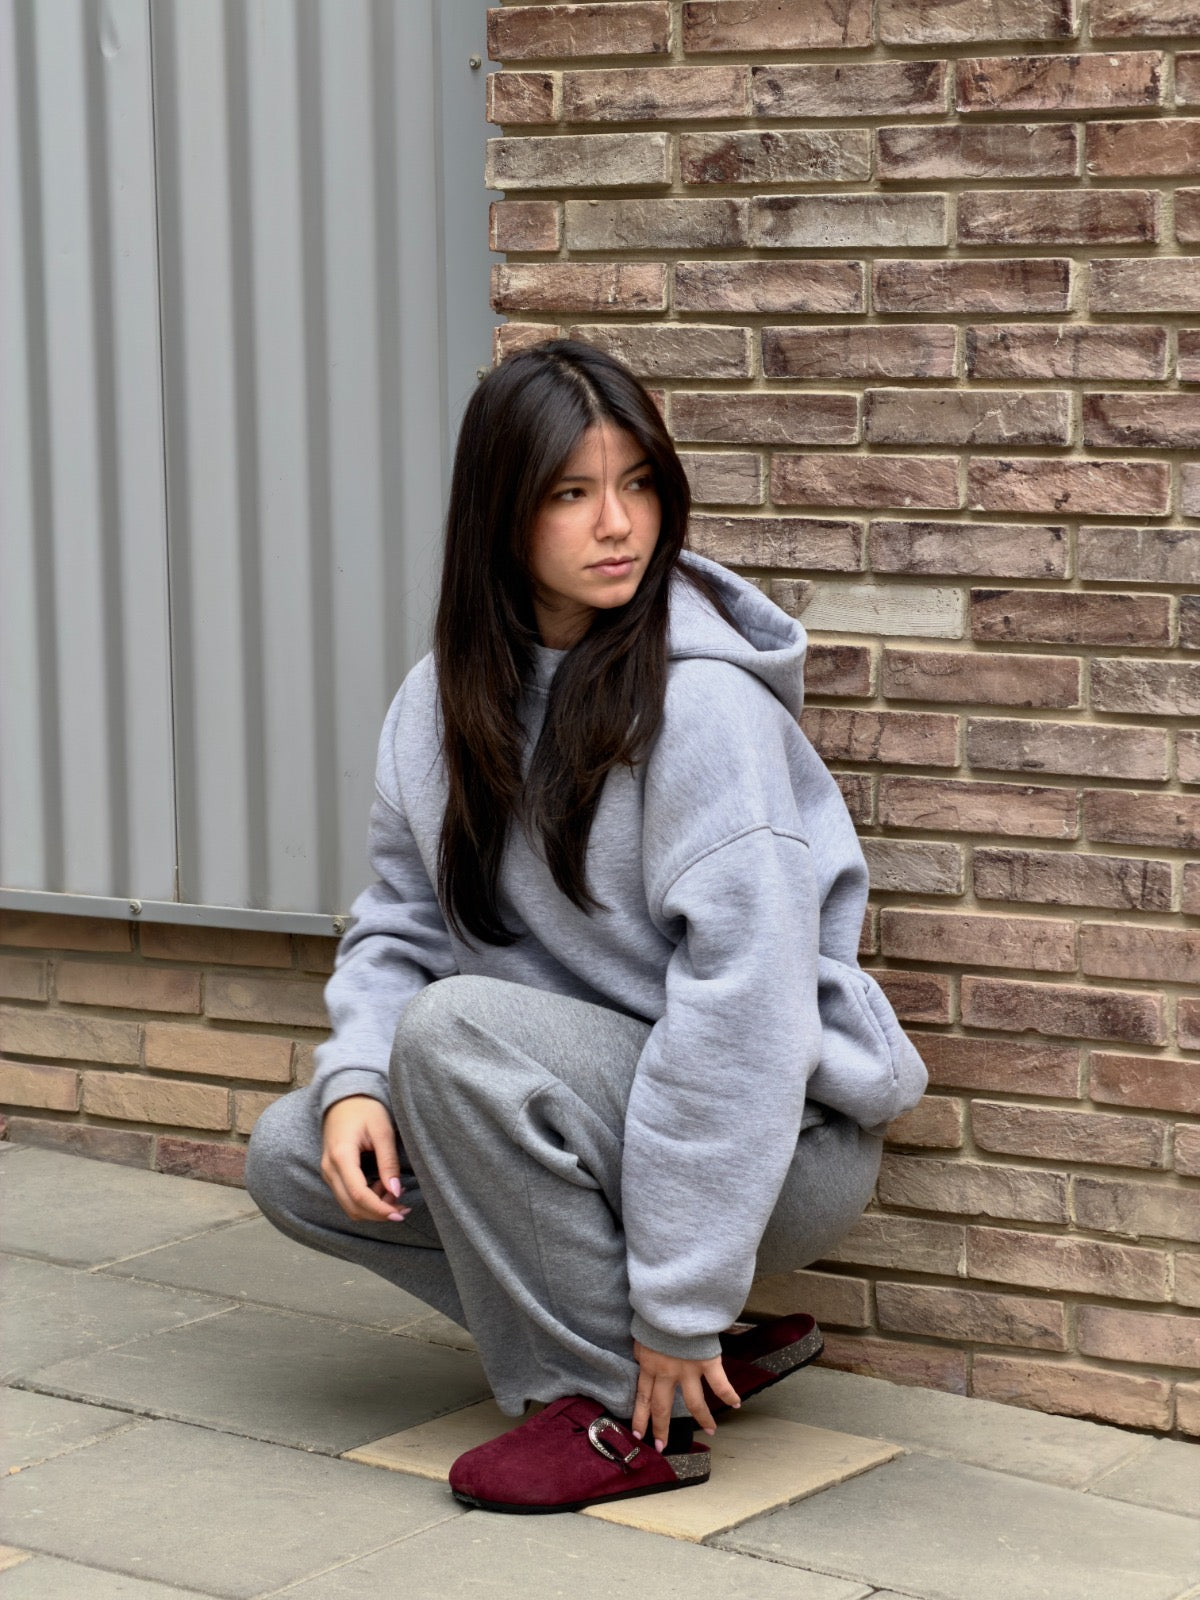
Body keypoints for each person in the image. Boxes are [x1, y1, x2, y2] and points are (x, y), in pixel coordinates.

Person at [244, 338, 928, 1515]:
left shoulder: (701, 707)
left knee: (454, 1031)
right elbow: (400, 920)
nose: (619, 524)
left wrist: (683, 1296)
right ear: (500, 515)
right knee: (299, 1158)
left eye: (640, 483)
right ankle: (658, 1356)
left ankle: (615, 1407)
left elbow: (743, 1021)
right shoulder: (440, 701)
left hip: (779, 1141)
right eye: (572, 492)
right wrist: (355, 1075)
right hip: (573, 1112)